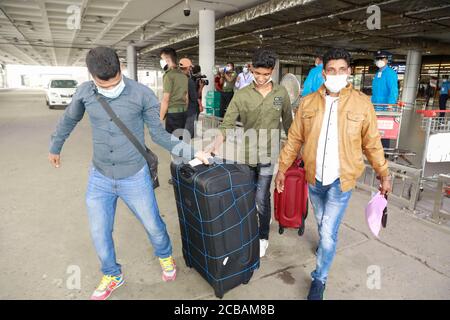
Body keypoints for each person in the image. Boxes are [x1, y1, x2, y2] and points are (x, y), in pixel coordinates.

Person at [48, 47, 210, 300]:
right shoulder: (85, 92)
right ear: (91, 76)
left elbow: (158, 134)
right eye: (104, 84)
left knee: (153, 226)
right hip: (100, 176)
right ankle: (112, 273)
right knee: (99, 232)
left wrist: (192, 152)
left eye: (114, 82)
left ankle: (165, 256)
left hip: (134, 176)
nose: (111, 88)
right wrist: (55, 145)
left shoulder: (142, 94)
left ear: (121, 69)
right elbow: (69, 119)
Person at [275, 48, 392, 300]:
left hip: (342, 180)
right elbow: (294, 139)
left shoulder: (362, 103)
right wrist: (282, 168)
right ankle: (325, 247)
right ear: (324, 72)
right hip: (314, 178)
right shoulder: (308, 103)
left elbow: (372, 143)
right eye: (331, 70)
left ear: (349, 72)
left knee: (327, 231)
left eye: (342, 70)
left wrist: (384, 173)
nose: (336, 74)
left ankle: (320, 278)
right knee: (320, 221)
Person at [205, 48, 293, 258]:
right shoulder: (242, 95)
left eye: (266, 74)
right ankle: (261, 217)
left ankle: (262, 236)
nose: (261, 78)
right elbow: (226, 125)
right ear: (251, 69)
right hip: (246, 154)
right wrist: (214, 146)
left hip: (268, 154)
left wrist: (295, 149)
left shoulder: (280, 93)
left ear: (272, 71)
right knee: (247, 194)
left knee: (261, 197)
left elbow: (289, 123)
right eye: (257, 73)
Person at [371, 50, 399, 149]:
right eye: (378, 59)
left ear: (387, 60)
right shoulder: (377, 73)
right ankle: (376, 150)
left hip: (385, 107)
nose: (379, 61)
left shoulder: (390, 73)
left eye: (382, 58)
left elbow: (393, 90)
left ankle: (385, 152)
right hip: (375, 106)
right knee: (375, 129)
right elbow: (375, 91)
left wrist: (390, 105)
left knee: (384, 131)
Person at [159, 47, 188, 134]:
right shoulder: (183, 75)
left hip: (173, 115)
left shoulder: (168, 75)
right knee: (180, 140)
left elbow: (166, 99)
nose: (161, 61)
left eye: (162, 59)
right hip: (183, 113)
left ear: (167, 60)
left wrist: (160, 118)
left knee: (172, 143)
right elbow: (187, 98)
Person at [179, 57, 199, 139]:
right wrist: (200, 87)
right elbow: (194, 97)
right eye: (190, 67)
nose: (191, 69)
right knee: (187, 135)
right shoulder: (189, 81)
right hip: (190, 111)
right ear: (187, 68)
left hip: (179, 110)